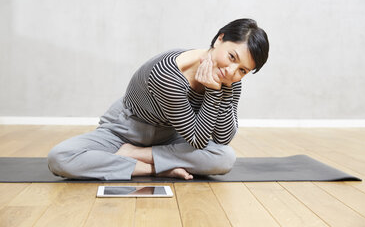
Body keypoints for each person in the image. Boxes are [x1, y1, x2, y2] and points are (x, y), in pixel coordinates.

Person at [47, 18, 269, 180]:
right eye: (232, 57)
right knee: (60, 157)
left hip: (175, 135)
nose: (231, 71)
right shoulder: (168, 73)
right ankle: (155, 167)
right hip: (127, 129)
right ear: (220, 39)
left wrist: (220, 90)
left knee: (225, 158)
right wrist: (159, 167)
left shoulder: (229, 81)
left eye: (243, 70)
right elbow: (199, 141)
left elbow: (222, 138)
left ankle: (137, 156)